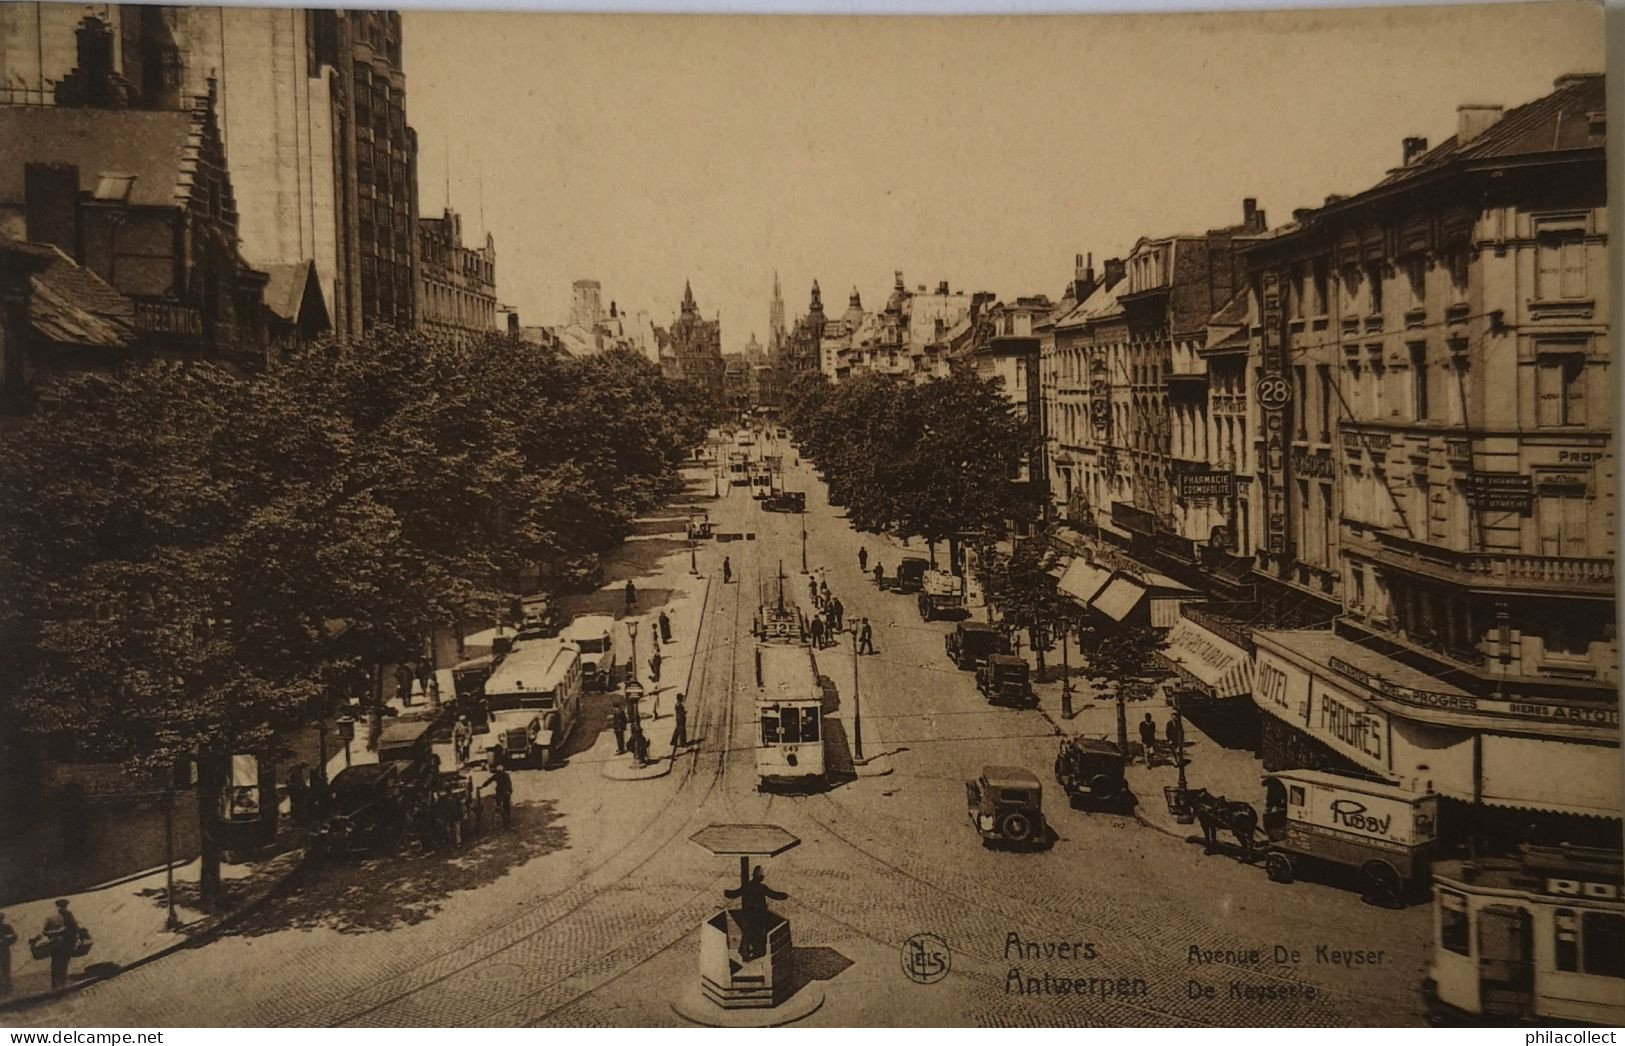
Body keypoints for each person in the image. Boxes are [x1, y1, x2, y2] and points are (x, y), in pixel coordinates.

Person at [42, 899, 79, 991]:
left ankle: (56, 984)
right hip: (65, 943)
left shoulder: (55, 916)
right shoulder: (67, 915)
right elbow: (73, 929)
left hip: (57, 944)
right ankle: (61, 982)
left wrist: (53, 934)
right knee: (62, 963)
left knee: (56, 964)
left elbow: (46, 931)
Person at [0, 910, 16, 997]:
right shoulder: (7, 926)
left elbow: (14, 937)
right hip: (4, 950)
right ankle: (4, 989)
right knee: (5, 970)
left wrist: (6, 940)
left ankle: (7, 989)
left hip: (4, 950)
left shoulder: (7, 927)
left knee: (6, 970)